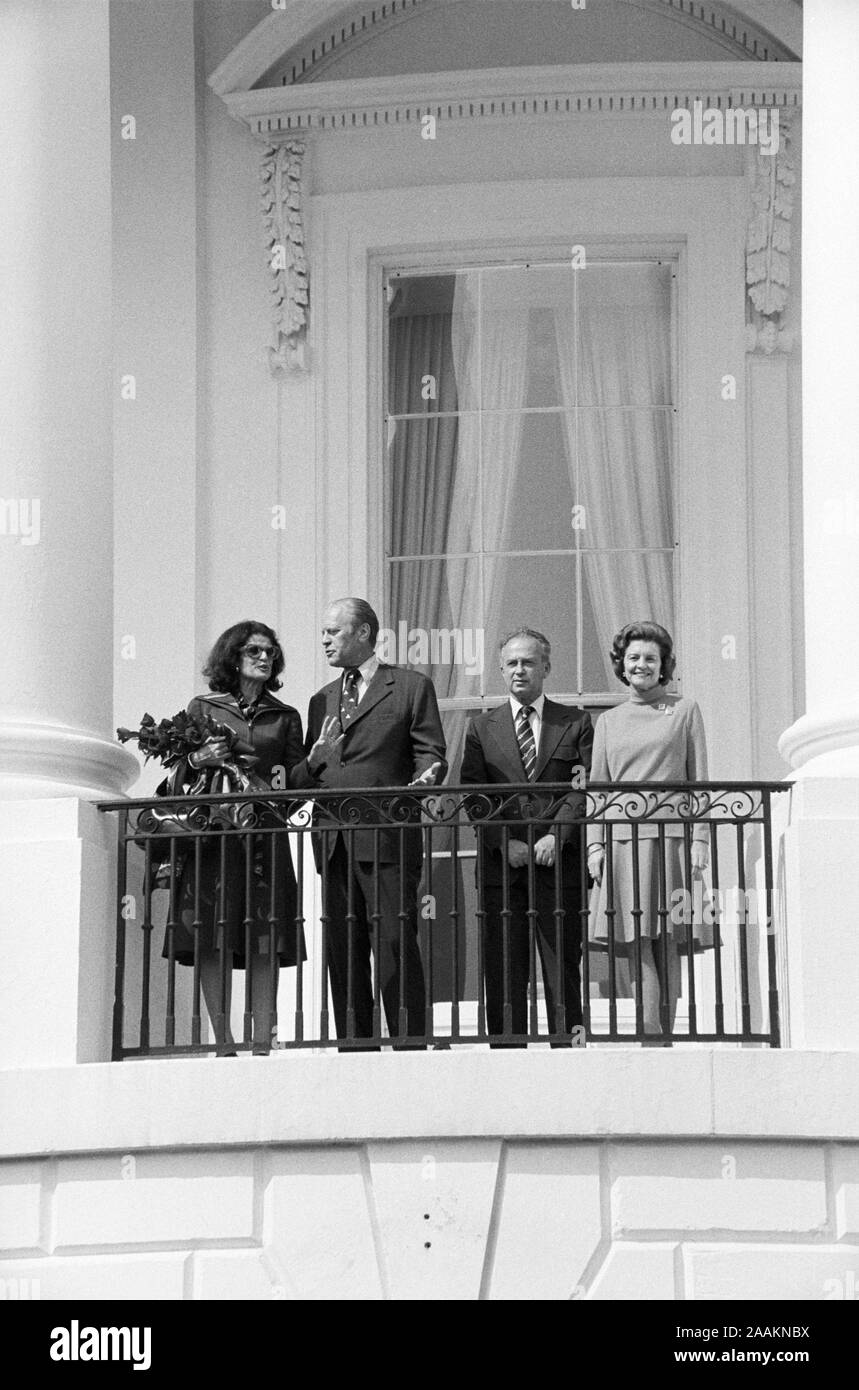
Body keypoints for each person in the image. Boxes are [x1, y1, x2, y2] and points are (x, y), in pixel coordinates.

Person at [290, 598, 446, 1046]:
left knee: (395, 945)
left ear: (363, 634)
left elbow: (431, 752)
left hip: (386, 836)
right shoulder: (322, 699)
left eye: (333, 632)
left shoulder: (411, 686)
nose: (324, 640)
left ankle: (410, 1046)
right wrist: (312, 762)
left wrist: (426, 780)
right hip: (334, 842)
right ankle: (355, 1050)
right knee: (345, 952)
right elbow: (306, 775)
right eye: (323, 632)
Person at [164, 621, 305, 1054]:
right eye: (254, 651)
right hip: (213, 837)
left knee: (267, 932)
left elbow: (296, 785)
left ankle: (263, 1040)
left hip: (265, 834)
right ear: (233, 656)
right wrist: (198, 756)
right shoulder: (203, 707)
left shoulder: (285, 716)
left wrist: (316, 761)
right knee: (212, 932)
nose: (264, 658)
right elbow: (175, 773)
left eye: (270, 652)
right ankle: (223, 1043)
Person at [460, 629, 593, 1046]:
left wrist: (558, 835)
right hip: (504, 871)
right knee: (503, 973)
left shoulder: (575, 722)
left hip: (559, 869)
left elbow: (582, 788)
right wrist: (505, 843)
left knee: (562, 972)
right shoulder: (481, 728)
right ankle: (506, 1058)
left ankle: (569, 1057)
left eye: (529, 662)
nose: (520, 669)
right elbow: (473, 795)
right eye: (512, 663)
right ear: (501, 670)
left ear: (546, 668)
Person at [587, 621, 710, 1043]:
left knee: (667, 943)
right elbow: (597, 791)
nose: (642, 665)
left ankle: (664, 1039)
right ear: (622, 664)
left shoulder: (685, 710)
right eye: (634, 657)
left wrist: (700, 841)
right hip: (622, 842)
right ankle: (649, 1037)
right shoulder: (608, 721)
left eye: (650, 659)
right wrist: (594, 847)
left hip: (672, 838)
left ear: (664, 666)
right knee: (637, 942)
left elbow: (699, 784)